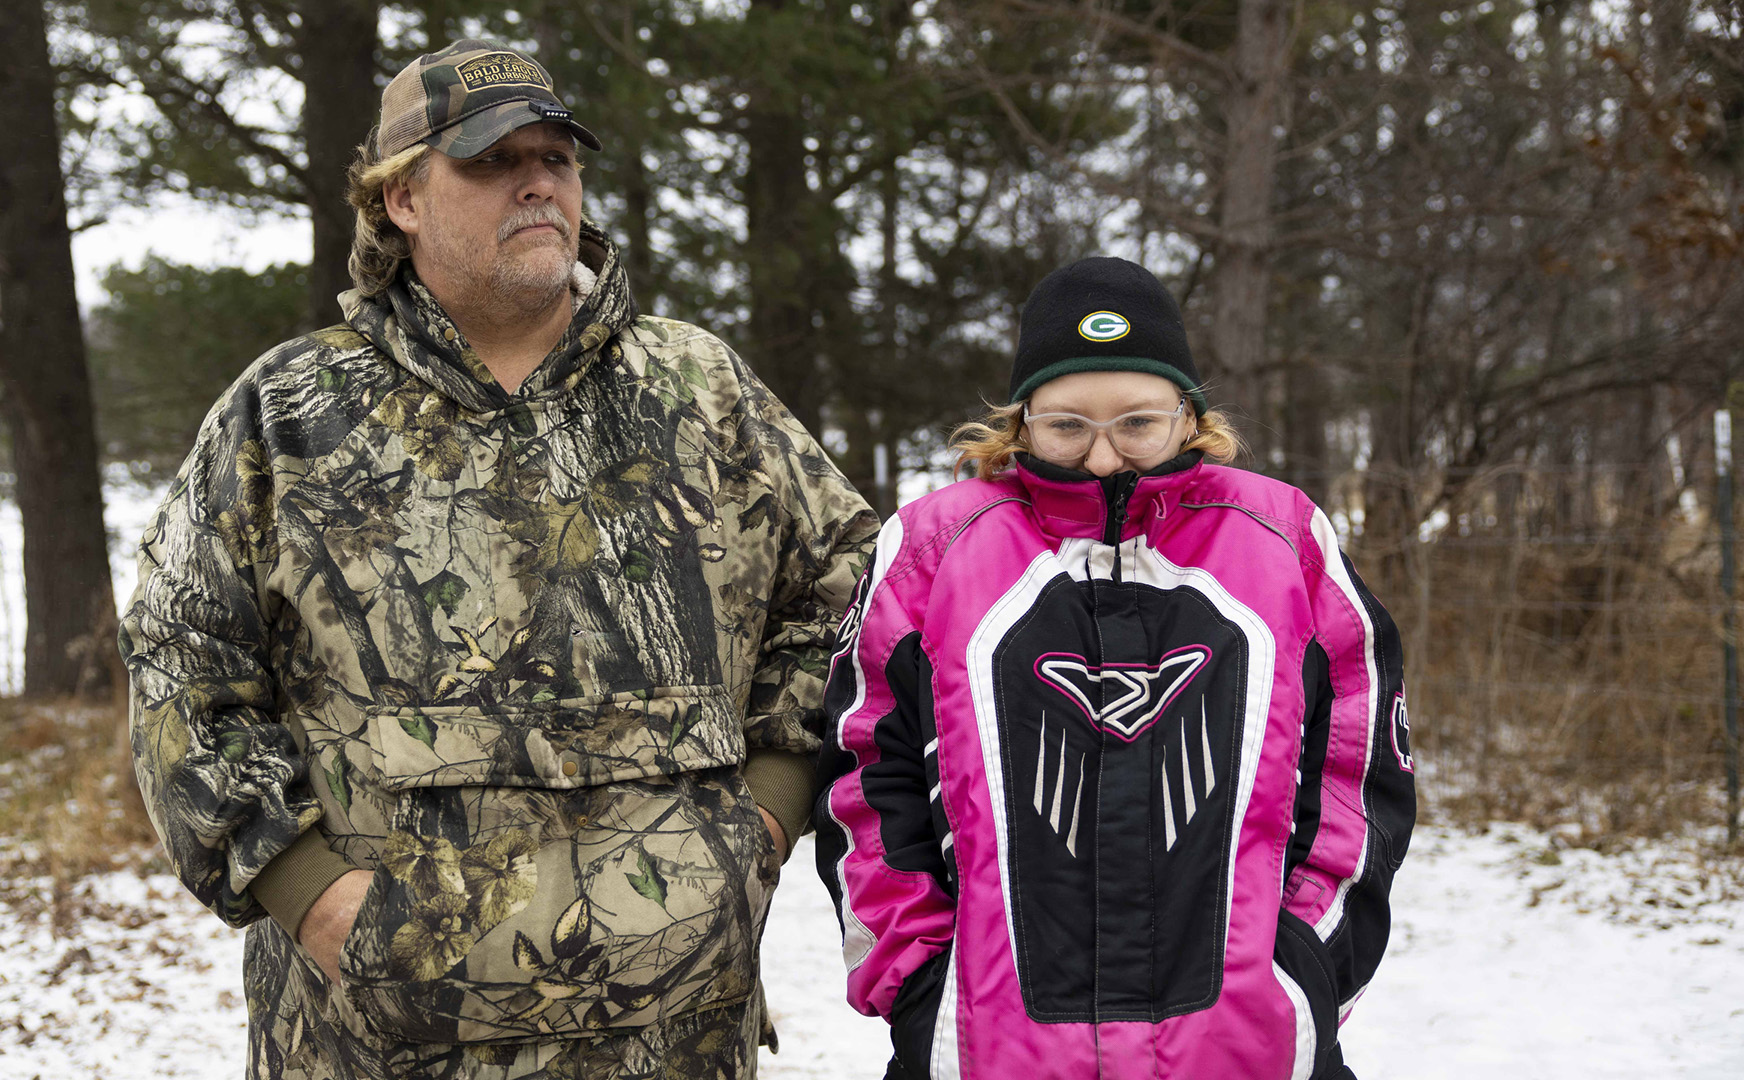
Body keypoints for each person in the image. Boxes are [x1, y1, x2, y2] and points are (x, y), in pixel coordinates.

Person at [121, 38, 876, 1080]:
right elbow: (182, 661)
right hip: (378, 1041)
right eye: (488, 160)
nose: (536, 182)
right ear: (401, 202)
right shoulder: (290, 415)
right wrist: (311, 894)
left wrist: (763, 817)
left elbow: (846, 594)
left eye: (556, 157)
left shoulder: (695, 390)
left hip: (671, 1031)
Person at [813, 257, 1415, 1080]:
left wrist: (1306, 963)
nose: (1103, 458)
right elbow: (862, 773)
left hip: (1246, 1047)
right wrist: (922, 983)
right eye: (1067, 425)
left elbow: (1358, 759)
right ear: (1021, 420)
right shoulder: (932, 547)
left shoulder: (1281, 538)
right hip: (988, 1048)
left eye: (1137, 422)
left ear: (1188, 414)